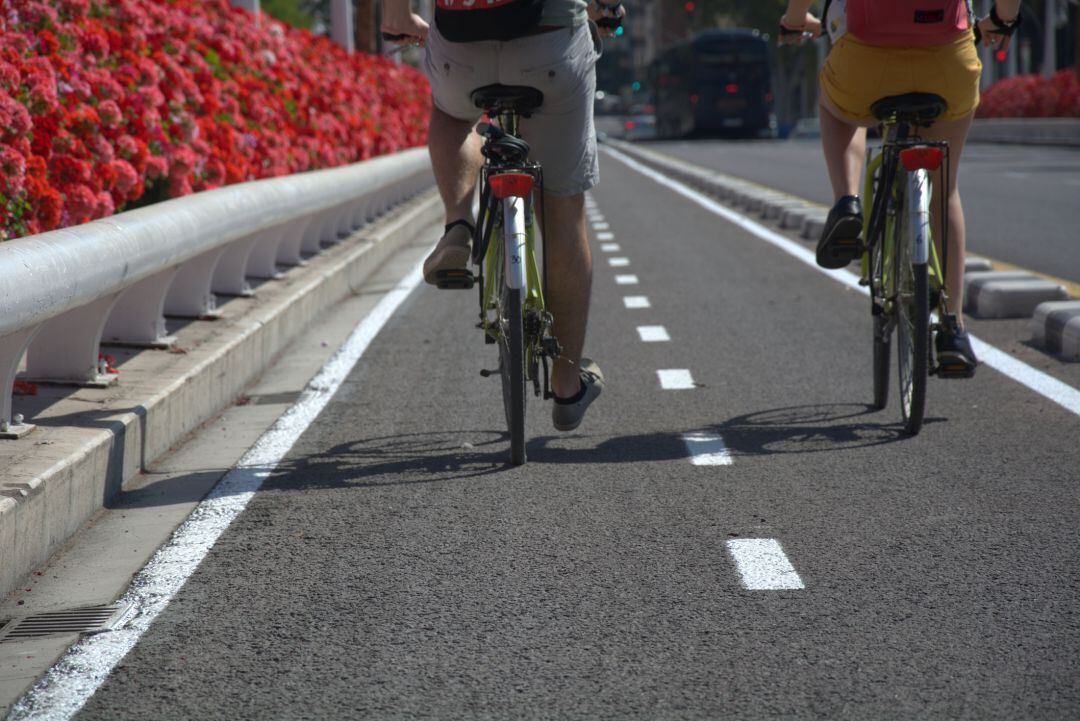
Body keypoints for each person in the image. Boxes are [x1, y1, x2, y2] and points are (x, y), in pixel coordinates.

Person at [380, 0, 626, 431]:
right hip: (550, 48)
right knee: (564, 211)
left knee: (453, 118)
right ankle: (568, 384)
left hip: (462, 50)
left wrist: (399, 17)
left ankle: (458, 223)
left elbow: (398, 21)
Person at [779, 0, 1023, 376]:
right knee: (944, 190)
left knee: (835, 106)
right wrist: (1002, 20)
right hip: (947, 63)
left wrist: (794, 22)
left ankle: (846, 201)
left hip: (866, 63)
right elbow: (1005, 9)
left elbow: (804, 14)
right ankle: (953, 328)